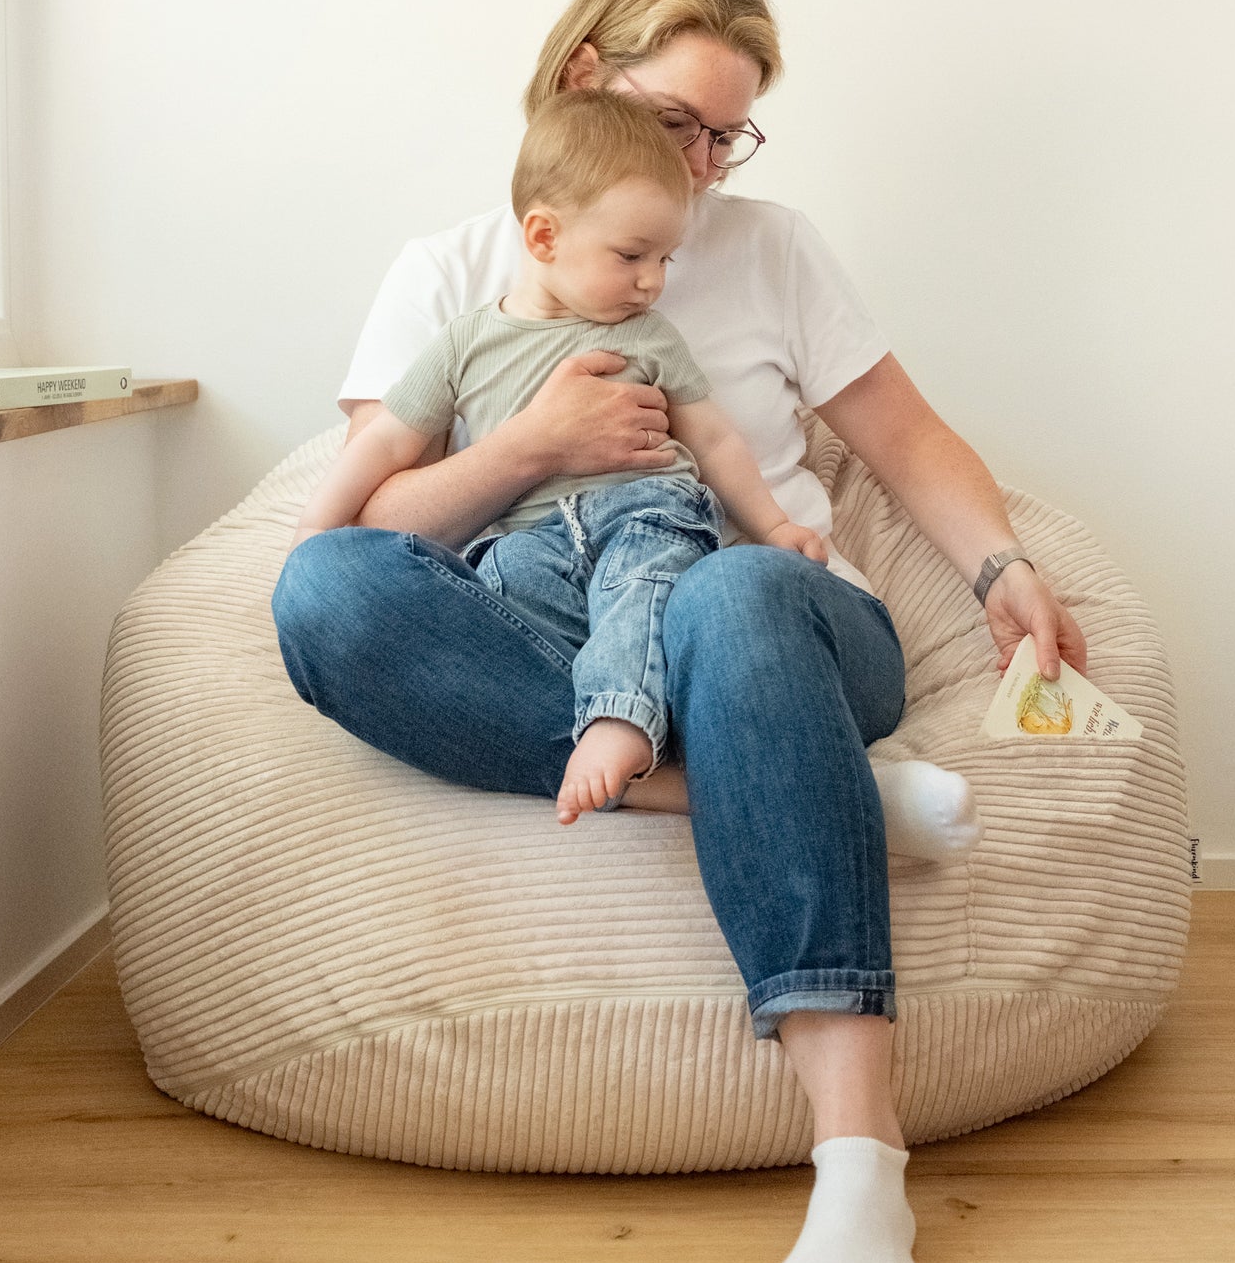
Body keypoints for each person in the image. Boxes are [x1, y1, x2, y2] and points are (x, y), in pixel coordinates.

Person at [272, 0, 1088, 1263]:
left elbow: (900, 437)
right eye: (679, 126)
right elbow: (373, 513)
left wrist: (1003, 567)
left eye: (730, 134)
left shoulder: (772, 248)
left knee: (726, 597)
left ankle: (859, 1173)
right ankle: (791, 790)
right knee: (327, 599)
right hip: (545, 634)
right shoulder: (454, 270)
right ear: (588, 76)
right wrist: (530, 447)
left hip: (778, 619)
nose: (706, 169)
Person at [286, 88, 831, 824]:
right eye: (632, 256)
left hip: (644, 516)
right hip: (523, 546)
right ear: (543, 238)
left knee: (644, 587)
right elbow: (386, 440)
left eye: (664, 258)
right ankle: (674, 765)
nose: (653, 281)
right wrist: (314, 530)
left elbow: (714, 440)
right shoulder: (465, 339)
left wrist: (773, 526)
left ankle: (620, 728)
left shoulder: (649, 336)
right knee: (483, 598)